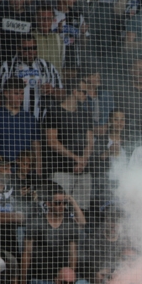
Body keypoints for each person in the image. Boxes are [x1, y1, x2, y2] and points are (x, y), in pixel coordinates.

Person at [20, 185, 83, 284]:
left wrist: (69, 281)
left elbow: (73, 254)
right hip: (39, 279)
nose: (62, 206)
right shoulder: (36, 223)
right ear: (48, 204)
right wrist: (23, 281)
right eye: (57, 203)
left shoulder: (70, 224)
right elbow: (26, 253)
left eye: (64, 203)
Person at [45, 80, 94, 210]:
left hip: (83, 172)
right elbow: (52, 141)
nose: (86, 95)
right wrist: (76, 158)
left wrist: (82, 161)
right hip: (61, 170)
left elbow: (90, 141)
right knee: (59, 209)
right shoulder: (54, 112)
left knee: (81, 210)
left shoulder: (86, 114)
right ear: (74, 91)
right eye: (83, 92)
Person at [0, 35, 64, 120]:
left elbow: (62, 94)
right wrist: (3, 117)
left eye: (33, 48)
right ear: (18, 49)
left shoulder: (47, 67)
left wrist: (52, 90)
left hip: (43, 120)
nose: (30, 52)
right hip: (16, 120)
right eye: (26, 49)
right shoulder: (7, 67)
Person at [0, 82, 41, 169]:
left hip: (24, 171)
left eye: (22, 94)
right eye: (16, 93)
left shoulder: (30, 119)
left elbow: (36, 147)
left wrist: (38, 171)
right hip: (1, 169)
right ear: (6, 93)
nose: (20, 97)